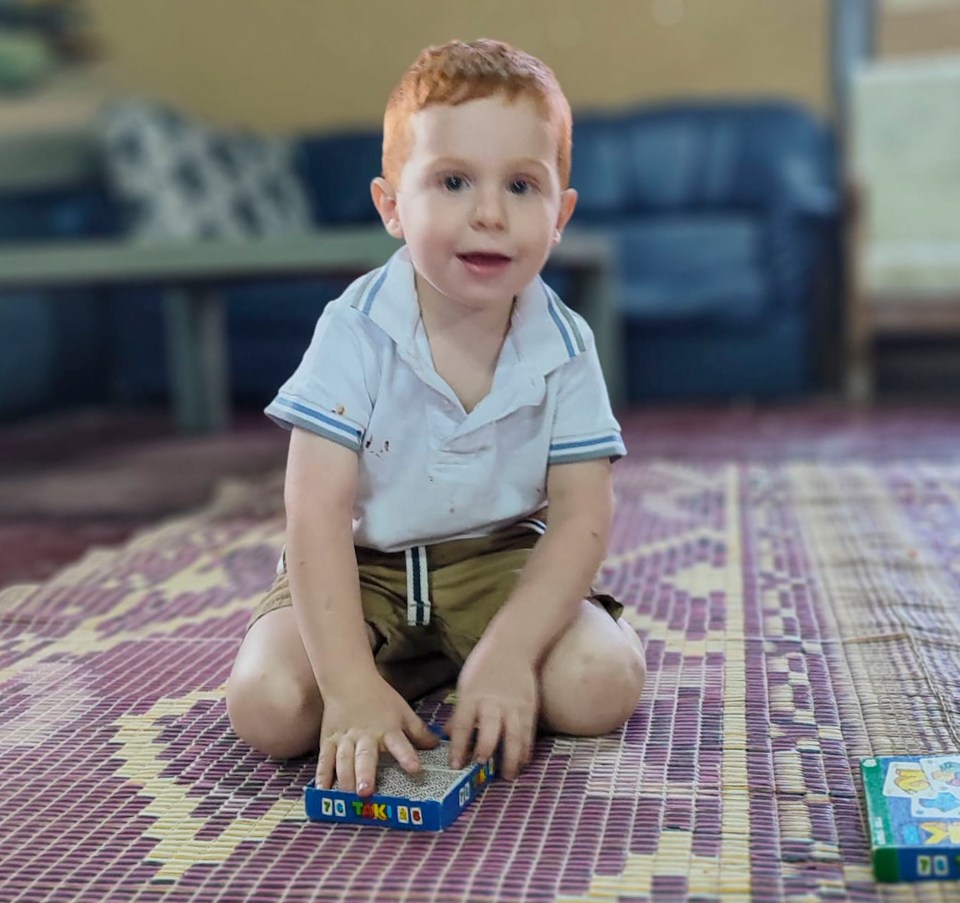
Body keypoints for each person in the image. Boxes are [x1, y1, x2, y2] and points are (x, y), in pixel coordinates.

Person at [226, 38, 645, 798]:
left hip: (498, 562)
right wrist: (348, 684)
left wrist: (512, 652)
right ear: (391, 205)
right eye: (453, 181)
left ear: (560, 216)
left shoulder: (567, 343)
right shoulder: (352, 331)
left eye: (523, 186)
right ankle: (385, 673)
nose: (489, 214)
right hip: (362, 573)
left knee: (599, 684)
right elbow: (313, 511)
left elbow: (584, 511)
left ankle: (480, 656)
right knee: (269, 708)